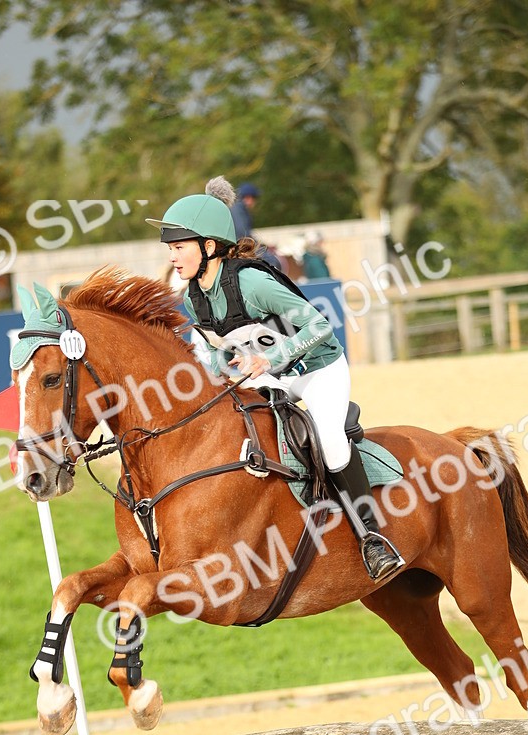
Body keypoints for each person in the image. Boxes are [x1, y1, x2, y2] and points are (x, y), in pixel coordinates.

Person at [146, 178, 404, 582]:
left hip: (318, 369)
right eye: (171, 249)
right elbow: (218, 350)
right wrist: (216, 370)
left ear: (208, 247)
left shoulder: (250, 282)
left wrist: (270, 359)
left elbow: (320, 324)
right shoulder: (195, 294)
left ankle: (372, 538)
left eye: (179, 247)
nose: (173, 257)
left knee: (330, 440)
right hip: (275, 377)